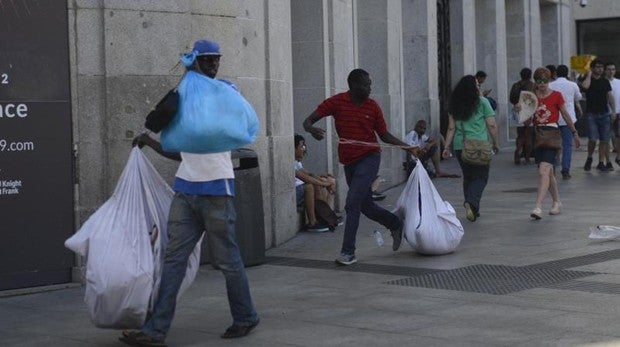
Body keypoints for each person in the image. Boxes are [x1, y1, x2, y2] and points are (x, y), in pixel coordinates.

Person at [119, 39, 259, 347]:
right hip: (185, 189)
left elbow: (232, 130)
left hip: (216, 190)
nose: (213, 65)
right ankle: (155, 331)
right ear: (193, 61)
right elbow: (181, 152)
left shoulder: (226, 92)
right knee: (173, 260)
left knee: (227, 260)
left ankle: (246, 316)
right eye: (207, 60)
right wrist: (149, 142)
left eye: (216, 60)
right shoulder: (183, 96)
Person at [302, 68, 419, 265]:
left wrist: (408, 148)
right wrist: (312, 130)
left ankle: (348, 252)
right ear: (354, 85)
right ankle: (395, 223)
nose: (369, 88)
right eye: (366, 85)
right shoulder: (337, 102)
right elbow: (307, 121)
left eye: (370, 85)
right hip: (349, 161)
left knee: (352, 203)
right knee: (366, 206)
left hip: (370, 158)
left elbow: (384, 135)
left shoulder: (373, 107)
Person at [442, 75, 499, 222]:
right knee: (481, 176)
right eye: (477, 85)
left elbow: (451, 128)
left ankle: (474, 209)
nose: (478, 87)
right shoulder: (482, 102)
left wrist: (446, 146)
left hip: (461, 146)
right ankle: (471, 203)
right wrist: (496, 143)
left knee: (468, 176)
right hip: (479, 145)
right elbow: (492, 125)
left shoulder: (454, 104)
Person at [526, 67, 580, 219]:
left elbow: (565, 114)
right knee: (548, 173)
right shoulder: (532, 97)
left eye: (544, 80)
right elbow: (527, 120)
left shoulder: (556, 95)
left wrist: (574, 132)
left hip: (552, 135)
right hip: (537, 135)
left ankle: (537, 206)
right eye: (539, 81)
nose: (542, 84)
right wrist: (521, 109)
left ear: (549, 80)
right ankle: (556, 202)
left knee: (543, 171)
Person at [580, 59, 618, 172]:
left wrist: (614, 111)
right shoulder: (587, 80)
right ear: (592, 68)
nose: (600, 69)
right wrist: (589, 75)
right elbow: (585, 87)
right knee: (592, 138)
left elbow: (610, 97)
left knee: (604, 140)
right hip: (592, 114)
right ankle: (589, 157)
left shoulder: (605, 81)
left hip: (605, 114)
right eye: (597, 67)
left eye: (601, 67)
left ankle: (601, 162)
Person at [294, 134, 336, 232]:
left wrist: (324, 179)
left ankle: (326, 216)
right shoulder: (290, 162)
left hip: (300, 191)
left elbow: (310, 174)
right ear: (293, 148)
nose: (304, 149)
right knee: (310, 186)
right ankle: (313, 222)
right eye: (301, 146)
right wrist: (325, 184)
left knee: (324, 180)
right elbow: (305, 178)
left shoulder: (297, 162)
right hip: (293, 194)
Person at [549, 64, 583, 179]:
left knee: (552, 145)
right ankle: (565, 169)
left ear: (555, 73)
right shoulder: (572, 85)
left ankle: (551, 168)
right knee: (567, 145)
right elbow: (578, 98)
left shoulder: (550, 85)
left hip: (553, 119)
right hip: (568, 119)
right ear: (567, 73)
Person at [509, 68, 536, 165]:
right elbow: (535, 99)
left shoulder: (515, 85)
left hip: (518, 110)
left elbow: (511, 99)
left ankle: (518, 151)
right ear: (530, 75)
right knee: (529, 135)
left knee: (520, 135)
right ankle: (527, 157)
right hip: (529, 111)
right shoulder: (533, 86)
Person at [605, 62, 620, 165]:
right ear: (605, 70)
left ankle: (618, 157)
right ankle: (607, 161)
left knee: (618, 136)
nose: (611, 71)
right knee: (606, 138)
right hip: (605, 114)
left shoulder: (619, 82)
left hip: (619, 112)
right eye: (609, 69)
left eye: (613, 69)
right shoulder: (602, 82)